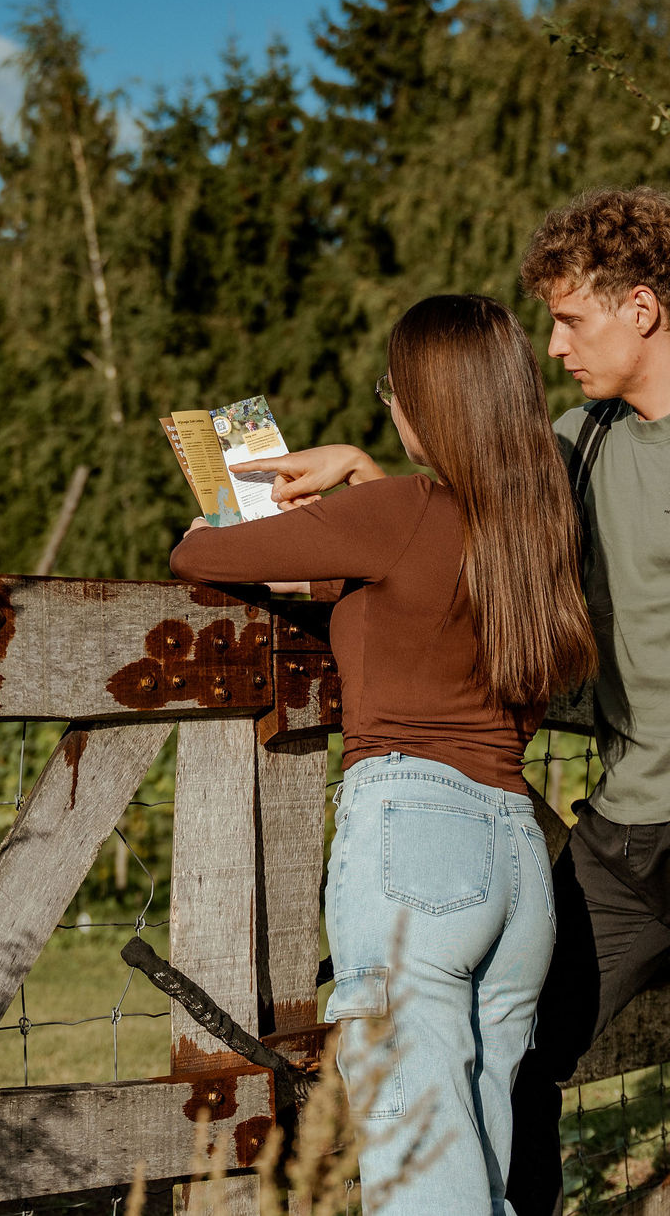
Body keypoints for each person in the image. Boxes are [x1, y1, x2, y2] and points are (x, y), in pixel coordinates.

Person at [242, 188, 670, 1216]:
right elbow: (466, 544)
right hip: (619, 827)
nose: (555, 345)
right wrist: (364, 474)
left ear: (641, 308)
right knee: (518, 1057)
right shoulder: (577, 440)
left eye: (571, 319)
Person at [171, 294, 596, 1216]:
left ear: (423, 405)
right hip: (517, 856)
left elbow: (200, 553)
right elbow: (427, 564)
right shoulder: (539, 531)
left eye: (391, 393)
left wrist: (247, 493)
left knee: (420, 1179)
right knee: (476, 1166)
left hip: (414, 844)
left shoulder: (402, 512)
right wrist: (364, 475)